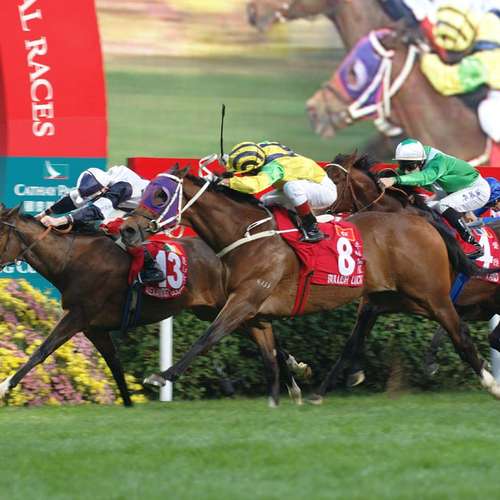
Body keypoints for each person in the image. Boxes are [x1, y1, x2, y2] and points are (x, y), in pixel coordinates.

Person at [36, 165, 165, 284]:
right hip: (131, 209)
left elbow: (96, 211)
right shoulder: (100, 182)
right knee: (89, 223)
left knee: (116, 229)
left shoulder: (121, 188)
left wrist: (58, 221)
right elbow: (72, 199)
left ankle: (152, 268)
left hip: (156, 214)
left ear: (104, 189)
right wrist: (44, 213)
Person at [379, 138, 491, 258]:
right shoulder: (416, 159)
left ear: (421, 161)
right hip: (451, 192)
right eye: (403, 166)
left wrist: (395, 179)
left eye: (410, 167)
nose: (406, 172)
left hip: (477, 189)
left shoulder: (438, 161)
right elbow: (398, 173)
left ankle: (471, 244)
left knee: (443, 205)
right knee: (423, 210)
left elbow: (425, 177)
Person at [220, 141, 337, 243]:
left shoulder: (274, 168)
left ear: (255, 169)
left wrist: (227, 182)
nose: (244, 175)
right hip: (306, 184)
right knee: (264, 201)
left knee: (291, 187)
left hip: (323, 190)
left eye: (245, 173)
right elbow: (246, 153)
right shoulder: (262, 147)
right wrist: (230, 160)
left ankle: (312, 227)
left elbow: (254, 186)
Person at [420, 0, 500, 144]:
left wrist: (425, 58)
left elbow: (447, 81)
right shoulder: (489, 21)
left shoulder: (483, 62)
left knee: (488, 112)